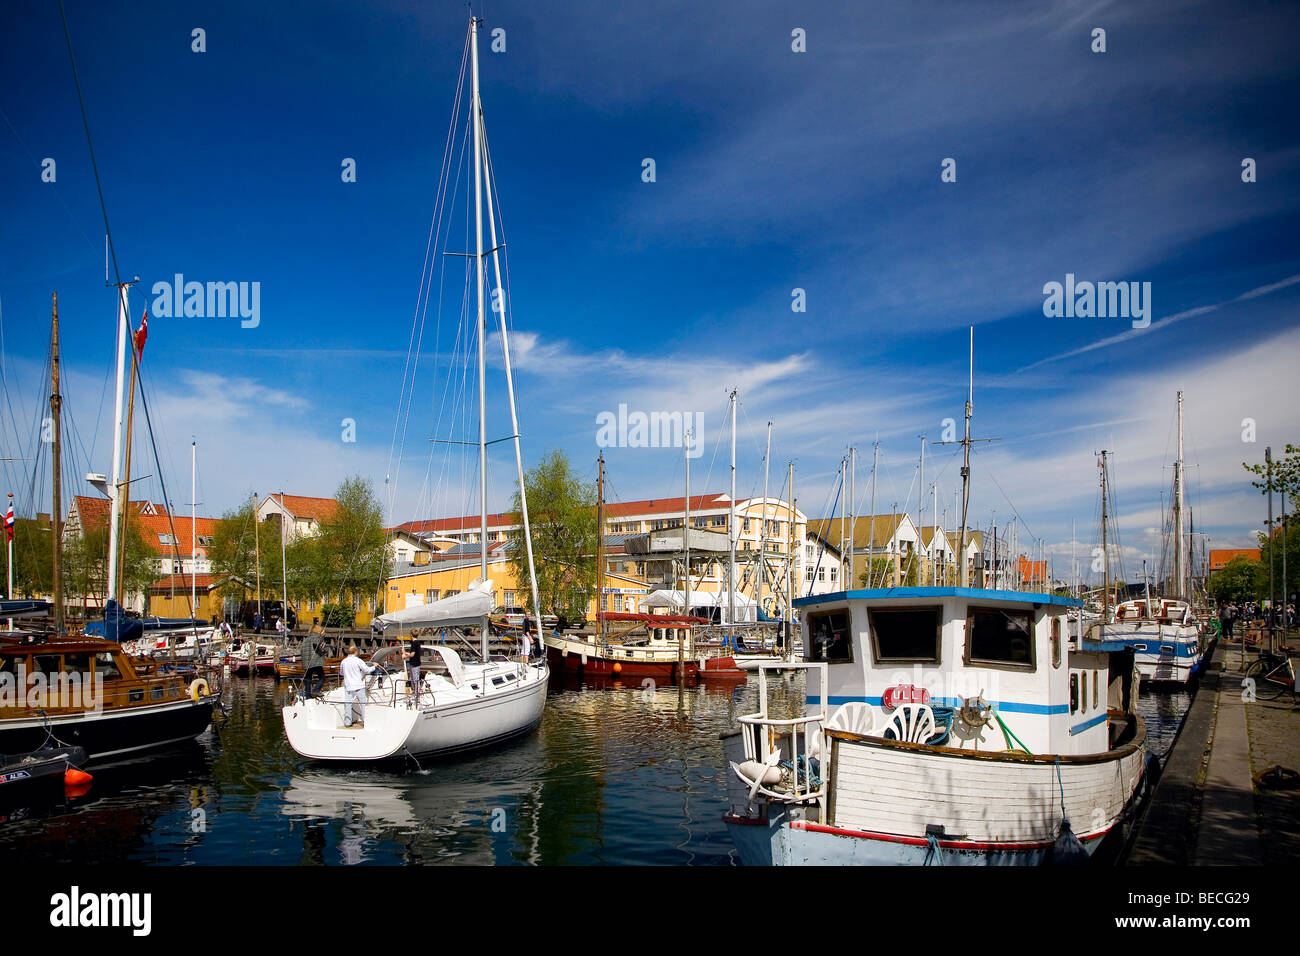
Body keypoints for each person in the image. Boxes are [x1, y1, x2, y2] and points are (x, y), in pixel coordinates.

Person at [340, 645, 377, 727]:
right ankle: (365, 721)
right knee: (363, 704)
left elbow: (341, 673)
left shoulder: (344, 661)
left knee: (348, 704)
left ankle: (347, 722)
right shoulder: (358, 661)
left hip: (348, 686)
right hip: (358, 686)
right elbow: (367, 670)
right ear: (355, 652)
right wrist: (374, 666)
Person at [302, 618, 327, 700]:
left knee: (308, 679)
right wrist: (322, 635)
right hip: (315, 661)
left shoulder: (306, 639)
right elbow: (318, 641)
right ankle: (316, 690)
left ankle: (308, 696)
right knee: (322, 677)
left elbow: (302, 650)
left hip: (307, 662)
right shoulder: (316, 637)